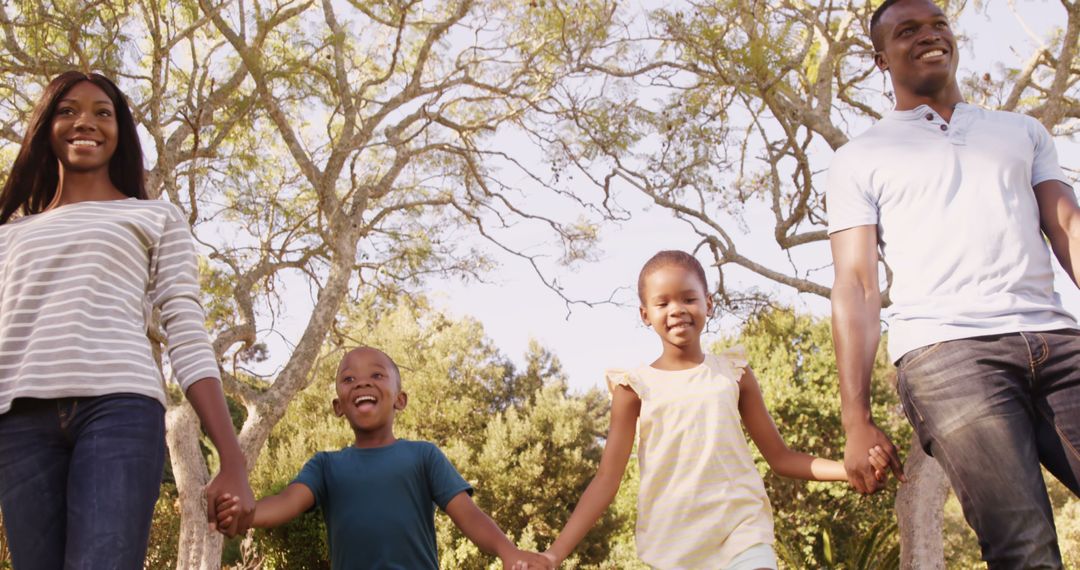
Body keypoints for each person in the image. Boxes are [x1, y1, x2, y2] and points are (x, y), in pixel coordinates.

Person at [827, 0, 1080, 566]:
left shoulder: (1021, 132)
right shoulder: (859, 158)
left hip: (1059, 342)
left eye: (938, 24)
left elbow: (1067, 226)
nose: (929, 36)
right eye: (908, 30)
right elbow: (857, 287)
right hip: (950, 358)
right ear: (879, 59)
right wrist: (856, 419)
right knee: (1026, 547)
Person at [0, 71, 254, 569]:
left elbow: (184, 328)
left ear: (120, 132)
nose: (85, 122)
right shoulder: (10, 234)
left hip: (118, 411)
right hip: (20, 423)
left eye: (102, 112)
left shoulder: (154, 216)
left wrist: (231, 458)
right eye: (68, 110)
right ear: (46, 126)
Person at [527, 251, 874, 570]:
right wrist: (554, 553)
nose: (677, 309)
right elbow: (607, 479)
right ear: (645, 315)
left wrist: (849, 470)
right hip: (674, 548)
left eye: (688, 298)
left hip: (742, 534)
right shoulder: (633, 388)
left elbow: (780, 457)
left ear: (708, 303)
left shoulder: (734, 373)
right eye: (662, 303)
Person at [215, 346, 551, 570]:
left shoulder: (424, 457)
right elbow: (287, 502)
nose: (362, 381)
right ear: (338, 406)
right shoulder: (326, 466)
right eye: (349, 379)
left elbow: (469, 515)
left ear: (400, 399)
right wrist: (246, 514)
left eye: (376, 375)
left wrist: (508, 551)